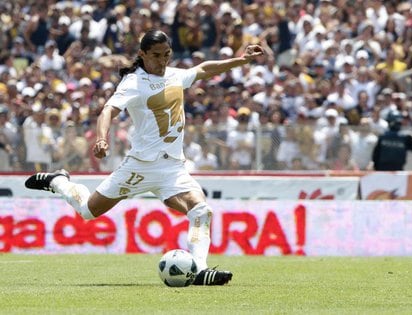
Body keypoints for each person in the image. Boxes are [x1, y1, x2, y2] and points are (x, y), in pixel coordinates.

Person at [25, 29, 264, 286]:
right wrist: (102, 138)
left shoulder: (175, 75)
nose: (162, 61)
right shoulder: (133, 83)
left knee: (201, 210)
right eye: (156, 56)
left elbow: (205, 69)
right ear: (142, 54)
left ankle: (200, 270)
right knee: (87, 211)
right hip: (140, 166)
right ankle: (59, 181)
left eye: (167, 55)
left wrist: (242, 60)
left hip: (172, 167)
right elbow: (107, 111)